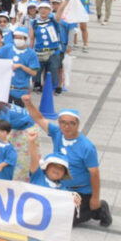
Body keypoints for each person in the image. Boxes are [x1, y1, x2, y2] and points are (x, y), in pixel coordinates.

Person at [21, 96, 113, 227]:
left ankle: (98, 209)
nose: (66, 126)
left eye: (71, 123)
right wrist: (28, 103)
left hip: (81, 191)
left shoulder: (87, 147)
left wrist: (95, 198)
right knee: (50, 215)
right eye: (63, 122)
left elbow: (95, 174)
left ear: (78, 124)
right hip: (60, 187)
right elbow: (39, 118)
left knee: (67, 221)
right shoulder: (57, 133)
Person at [25, 128, 85, 241]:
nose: (57, 170)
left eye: (61, 168)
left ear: (64, 173)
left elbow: (71, 202)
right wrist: (31, 142)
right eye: (54, 166)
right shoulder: (37, 177)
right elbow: (34, 158)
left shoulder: (63, 189)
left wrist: (75, 201)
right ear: (46, 166)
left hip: (53, 230)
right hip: (36, 226)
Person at [0, 88, 36, 181]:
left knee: (21, 157)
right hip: (15, 126)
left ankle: (19, 181)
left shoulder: (2, 112)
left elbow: (4, 131)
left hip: (27, 126)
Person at [0, 26, 39, 106]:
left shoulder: (31, 53)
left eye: (20, 38)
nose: (18, 40)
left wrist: (21, 66)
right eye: (16, 37)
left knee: (19, 114)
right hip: (6, 90)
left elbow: (34, 72)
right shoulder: (8, 48)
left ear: (25, 38)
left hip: (21, 90)